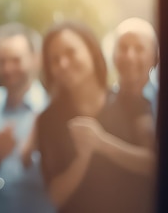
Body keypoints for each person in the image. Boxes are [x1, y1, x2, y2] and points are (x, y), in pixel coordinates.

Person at [36, 21, 155, 213]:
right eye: (55, 59)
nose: (63, 64)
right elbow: (55, 195)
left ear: (91, 50)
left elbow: (153, 163)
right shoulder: (48, 120)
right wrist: (81, 158)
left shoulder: (133, 103)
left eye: (70, 52)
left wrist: (103, 143)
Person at [0, 23, 53, 213]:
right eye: (1, 61)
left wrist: (27, 157)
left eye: (15, 60)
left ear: (35, 59)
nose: (8, 68)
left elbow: (61, 181)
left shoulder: (51, 110)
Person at [111, 17, 159, 119]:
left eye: (139, 49)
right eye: (123, 48)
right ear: (113, 55)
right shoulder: (104, 101)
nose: (130, 57)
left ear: (154, 57)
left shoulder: (166, 102)